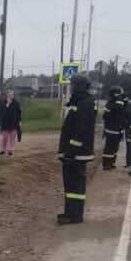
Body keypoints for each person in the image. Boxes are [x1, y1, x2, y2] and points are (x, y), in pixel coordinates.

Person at [58, 74, 96, 224]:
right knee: (71, 184)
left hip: (77, 153)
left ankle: (75, 215)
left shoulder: (85, 102)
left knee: (76, 184)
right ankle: (70, 212)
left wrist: (71, 151)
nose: (71, 87)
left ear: (79, 86)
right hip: (73, 151)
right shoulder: (80, 100)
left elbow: (80, 129)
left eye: (73, 85)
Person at [102, 85, 127, 169]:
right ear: (116, 94)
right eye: (120, 94)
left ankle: (111, 162)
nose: (121, 95)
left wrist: (125, 101)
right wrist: (120, 100)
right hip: (111, 129)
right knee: (109, 147)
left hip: (118, 129)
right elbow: (108, 115)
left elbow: (124, 112)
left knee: (115, 147)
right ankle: (106, 164)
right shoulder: (111, 103)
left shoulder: (119, 102)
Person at [0, 90, 22, 156]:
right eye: (9, 94)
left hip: (14, 122)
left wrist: (20, 121)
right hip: (5, 123)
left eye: (12, 94)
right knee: (5, 137)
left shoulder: (16, 103)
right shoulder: (3, 102)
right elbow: (2, 111)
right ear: (7, 95)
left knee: (12, 137)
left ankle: (11, 150)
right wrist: (8, 104)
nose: (11, 96)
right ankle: (3, 150)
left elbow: (19, 113)